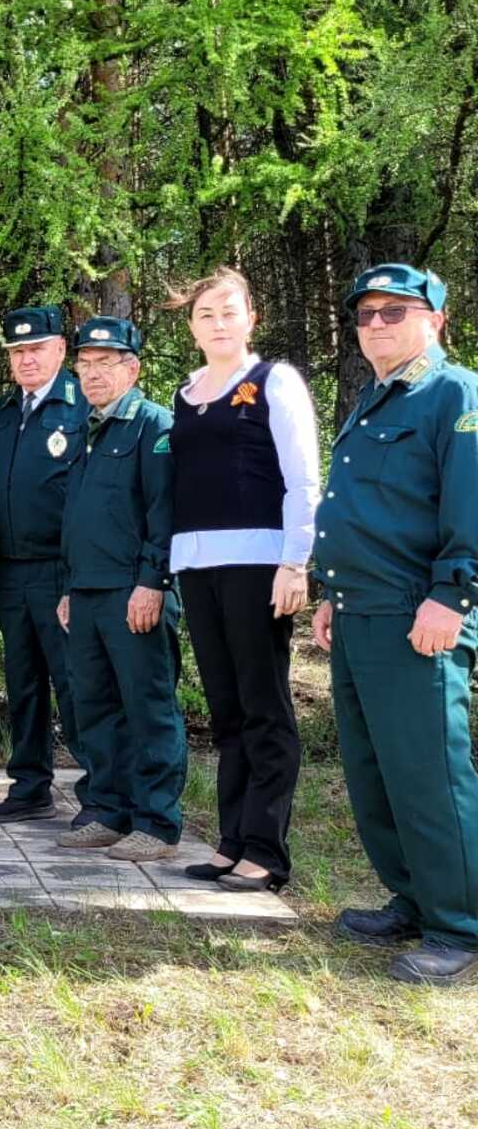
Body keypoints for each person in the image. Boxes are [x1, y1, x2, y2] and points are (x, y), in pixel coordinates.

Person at [314, 264, 478, 986]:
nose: (376, 324)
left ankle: (459, 925)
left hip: (419, 616)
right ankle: (413, 900)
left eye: (394, 311)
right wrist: (331, 592)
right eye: (366, 314)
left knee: (429, 777)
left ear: (435, 320)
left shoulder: (455, 394)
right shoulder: (374, 399)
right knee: (375, 773)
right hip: (359, 611)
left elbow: (470, 506)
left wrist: (453, 597)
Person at [166, 269, 319, 893]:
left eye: (230, 311)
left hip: (259, 565)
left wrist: (295, 562)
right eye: (206, 314)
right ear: (192, 326)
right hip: (197, 565)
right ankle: (232, 840)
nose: (219, 323)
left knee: (264, 707)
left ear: (252, 318)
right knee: (226, 711)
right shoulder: (186, 393)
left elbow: (303, 479)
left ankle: (266, 850)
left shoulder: (274, 381)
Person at [56, 316, 186, 861]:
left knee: (148, 706)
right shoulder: (87, 429)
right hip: (88, 591)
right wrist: (70, 586)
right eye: (84, 365)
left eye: (104, 364)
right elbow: (80, 517)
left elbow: (166, 512)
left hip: (134, 593)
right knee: (96, 708)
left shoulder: (153, 425)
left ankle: (156, 822)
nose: (92, 374)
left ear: (132, 370)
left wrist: (152, 582)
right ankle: (108, 810)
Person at [0, 305, 93, 826]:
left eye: (36, 348)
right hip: (12, 570)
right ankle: (30, 786)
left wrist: (79, 573)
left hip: (63, 570)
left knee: (74, 681)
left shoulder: (81, 406)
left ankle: (100, 792)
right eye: (17, 351)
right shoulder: (0, 414)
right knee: (23, 682)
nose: (26, 359)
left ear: (60, 350)